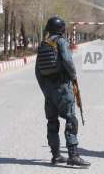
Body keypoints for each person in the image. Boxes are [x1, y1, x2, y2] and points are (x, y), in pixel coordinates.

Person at [35, 16, 90, 167]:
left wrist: (46, 90)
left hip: (48, 90)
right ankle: (73, 155)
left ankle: (56, 155)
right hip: (62, 88)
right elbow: (67, 60)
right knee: (71, 119)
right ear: (61, 29)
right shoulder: (61, 41)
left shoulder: (43, 44)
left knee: (52, 121)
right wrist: (73, 77)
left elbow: (38, 71)